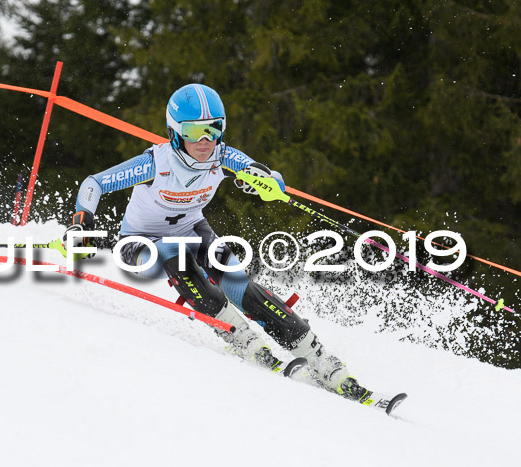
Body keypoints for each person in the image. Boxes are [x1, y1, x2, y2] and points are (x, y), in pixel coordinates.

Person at [62, 83, 368, 401]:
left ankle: (320, 360)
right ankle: (240, 336)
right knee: (174, 255)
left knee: (239, 284)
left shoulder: (222, 157)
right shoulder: (155, 163)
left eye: (214, 128)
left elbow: (263, 172)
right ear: (175, 132)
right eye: (195, 132)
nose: (205, 140)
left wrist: (269, 183)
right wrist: (81, 222)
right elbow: (93, 183)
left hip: (193, 229)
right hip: (140, 242)